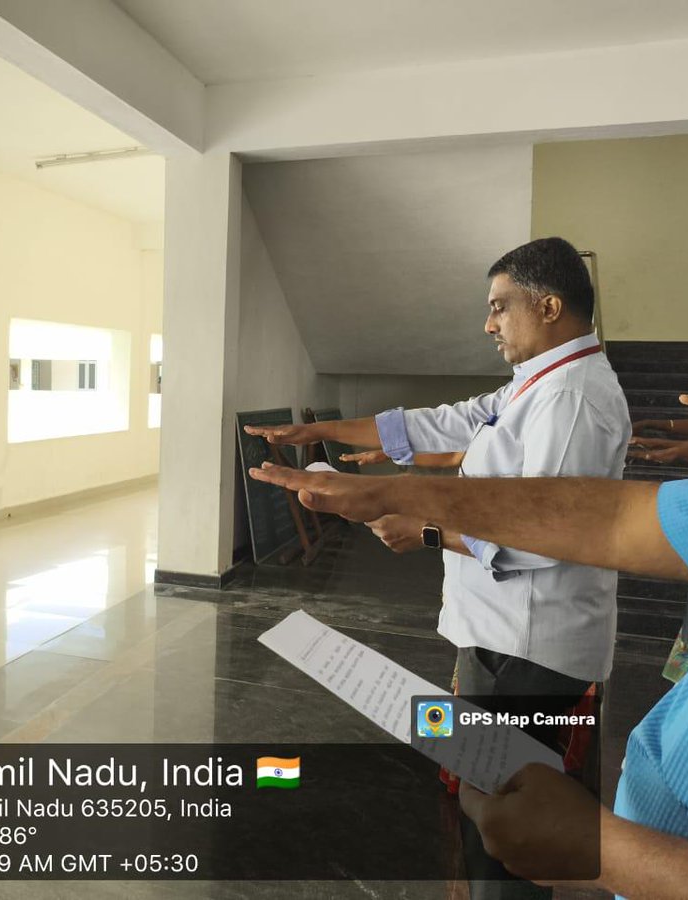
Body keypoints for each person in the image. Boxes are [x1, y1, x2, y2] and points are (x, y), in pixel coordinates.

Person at [247, 237, 630, 897]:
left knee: (506, 821)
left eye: (499, 307)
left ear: (549, 304)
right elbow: (448, 422)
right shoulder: (536, 382)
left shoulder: (572, 399)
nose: (488, 325)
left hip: (529, 651)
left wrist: (425, 532)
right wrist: (329, 432)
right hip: (498, 635)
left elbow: (543, 534)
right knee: (481, 798)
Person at [247, 462, 688, 898]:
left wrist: (603, 851)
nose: (497, 349)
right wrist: (395, 493)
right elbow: (610, 517)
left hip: (529, 649)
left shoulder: (573, 397)